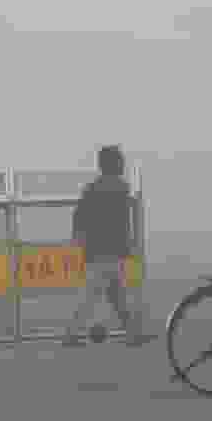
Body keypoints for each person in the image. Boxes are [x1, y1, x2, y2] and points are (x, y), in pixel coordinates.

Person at [64, 145, 139, 347]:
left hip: (96, 251)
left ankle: (132, 334)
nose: (123, 163)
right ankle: (71, 334)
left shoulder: (92, 189)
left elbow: (79, 217)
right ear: (115, 163)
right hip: (112, 251)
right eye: (120, 160)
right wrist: (128, 246)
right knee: (103, 295)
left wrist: (77, 239)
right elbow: (122, 224)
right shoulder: (121, 188)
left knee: (112, 295)